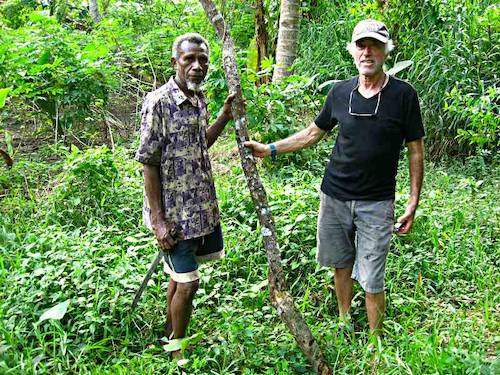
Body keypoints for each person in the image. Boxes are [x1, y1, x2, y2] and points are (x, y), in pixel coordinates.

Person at [244, 19, 424, 336]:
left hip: (377, 203)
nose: (367, 52)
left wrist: (412, 201)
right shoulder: (340, 92)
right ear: (353, 51)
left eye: (375, 45)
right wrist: (269, 148)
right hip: (334, 196)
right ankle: (343, 321)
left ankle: (375, 344)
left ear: (386, 51)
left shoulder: (404, 96)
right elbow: (313, 133)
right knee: (341, 264)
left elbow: (415, 151)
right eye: (361, 45)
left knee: (371, 277)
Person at [135, 33, 234, 350]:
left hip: (201, 208)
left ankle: (168, 333)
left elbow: (200, 143)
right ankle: (177, 350)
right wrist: (159, 221)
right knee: (190, 284)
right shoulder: (159, 103)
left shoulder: (198, 97)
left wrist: (224, 116)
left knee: (179, 278)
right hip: (174, 215)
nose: (197, 65)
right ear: (175, 62)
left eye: (203, 59)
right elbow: (149, 163)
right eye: (189, 58)